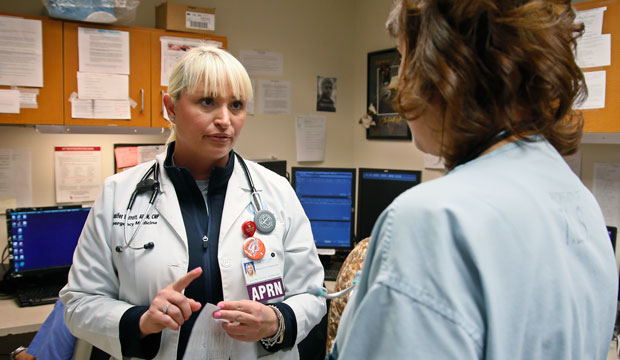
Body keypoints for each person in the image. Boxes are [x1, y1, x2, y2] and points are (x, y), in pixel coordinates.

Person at [330, 1, 618, 359]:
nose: (398, 85)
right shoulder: (580, 202)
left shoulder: (432, 220)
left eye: (404, 59)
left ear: (444, 68)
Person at [60, 46, 326, 360]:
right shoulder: (118, 193)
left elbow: (311, 295)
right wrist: (143, 322)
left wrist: (277, 321)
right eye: (207, 102)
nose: (225, 120)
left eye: (237, 105)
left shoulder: (276, 191)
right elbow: (80, 302)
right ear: (170, 107)